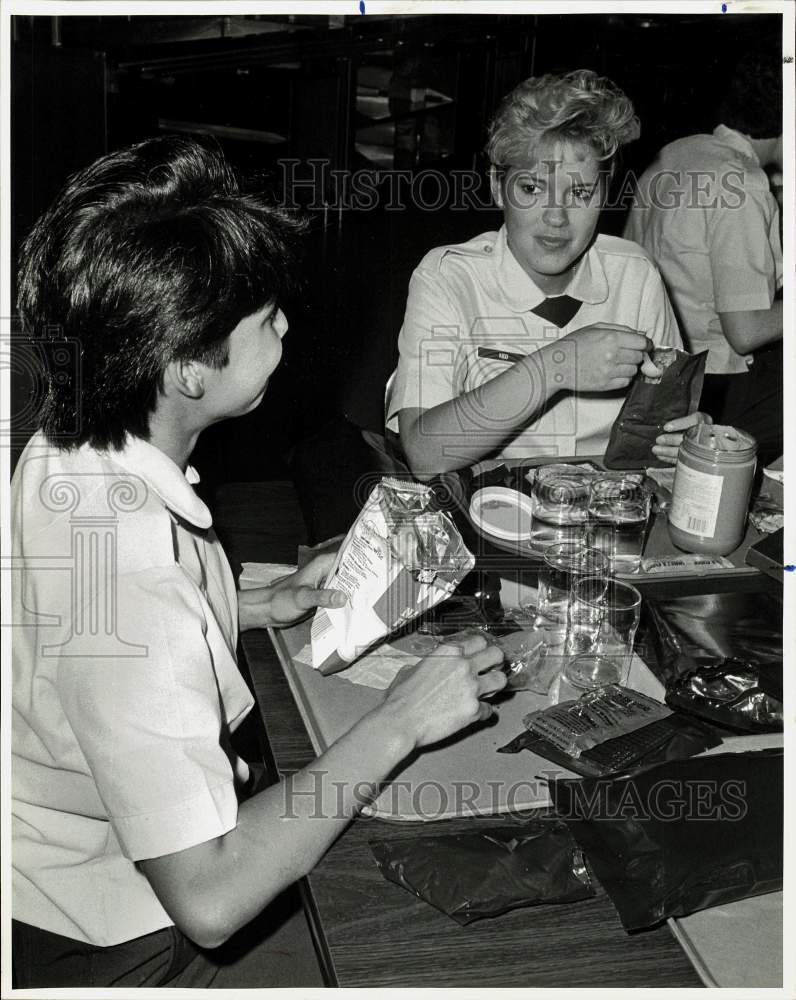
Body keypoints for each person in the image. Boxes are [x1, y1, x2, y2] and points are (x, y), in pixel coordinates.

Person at [10, 136, 507, 988]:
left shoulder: (71, 435)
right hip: (106, 921)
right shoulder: (135, 592)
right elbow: (209, 896)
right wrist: (401, 719)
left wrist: (251, 604)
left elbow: (75, 634)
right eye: (268, 321)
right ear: (188, 368)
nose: (287, 330)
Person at [387, 69, 702, 480]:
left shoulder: (637, 276)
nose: (556, 217)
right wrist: (555, 366)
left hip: (602, 514)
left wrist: (686, 443)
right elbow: (425, 453)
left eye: (579, 193)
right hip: (491, 515)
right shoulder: (447, 277)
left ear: (604, 195)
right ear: (498, 187)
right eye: (532, 189)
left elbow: (661, 437)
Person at [624, 44, 783, 463]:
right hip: (712, 383)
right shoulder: (745, 182)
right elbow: (745, 332)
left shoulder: (676, 151)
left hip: (655, 366)